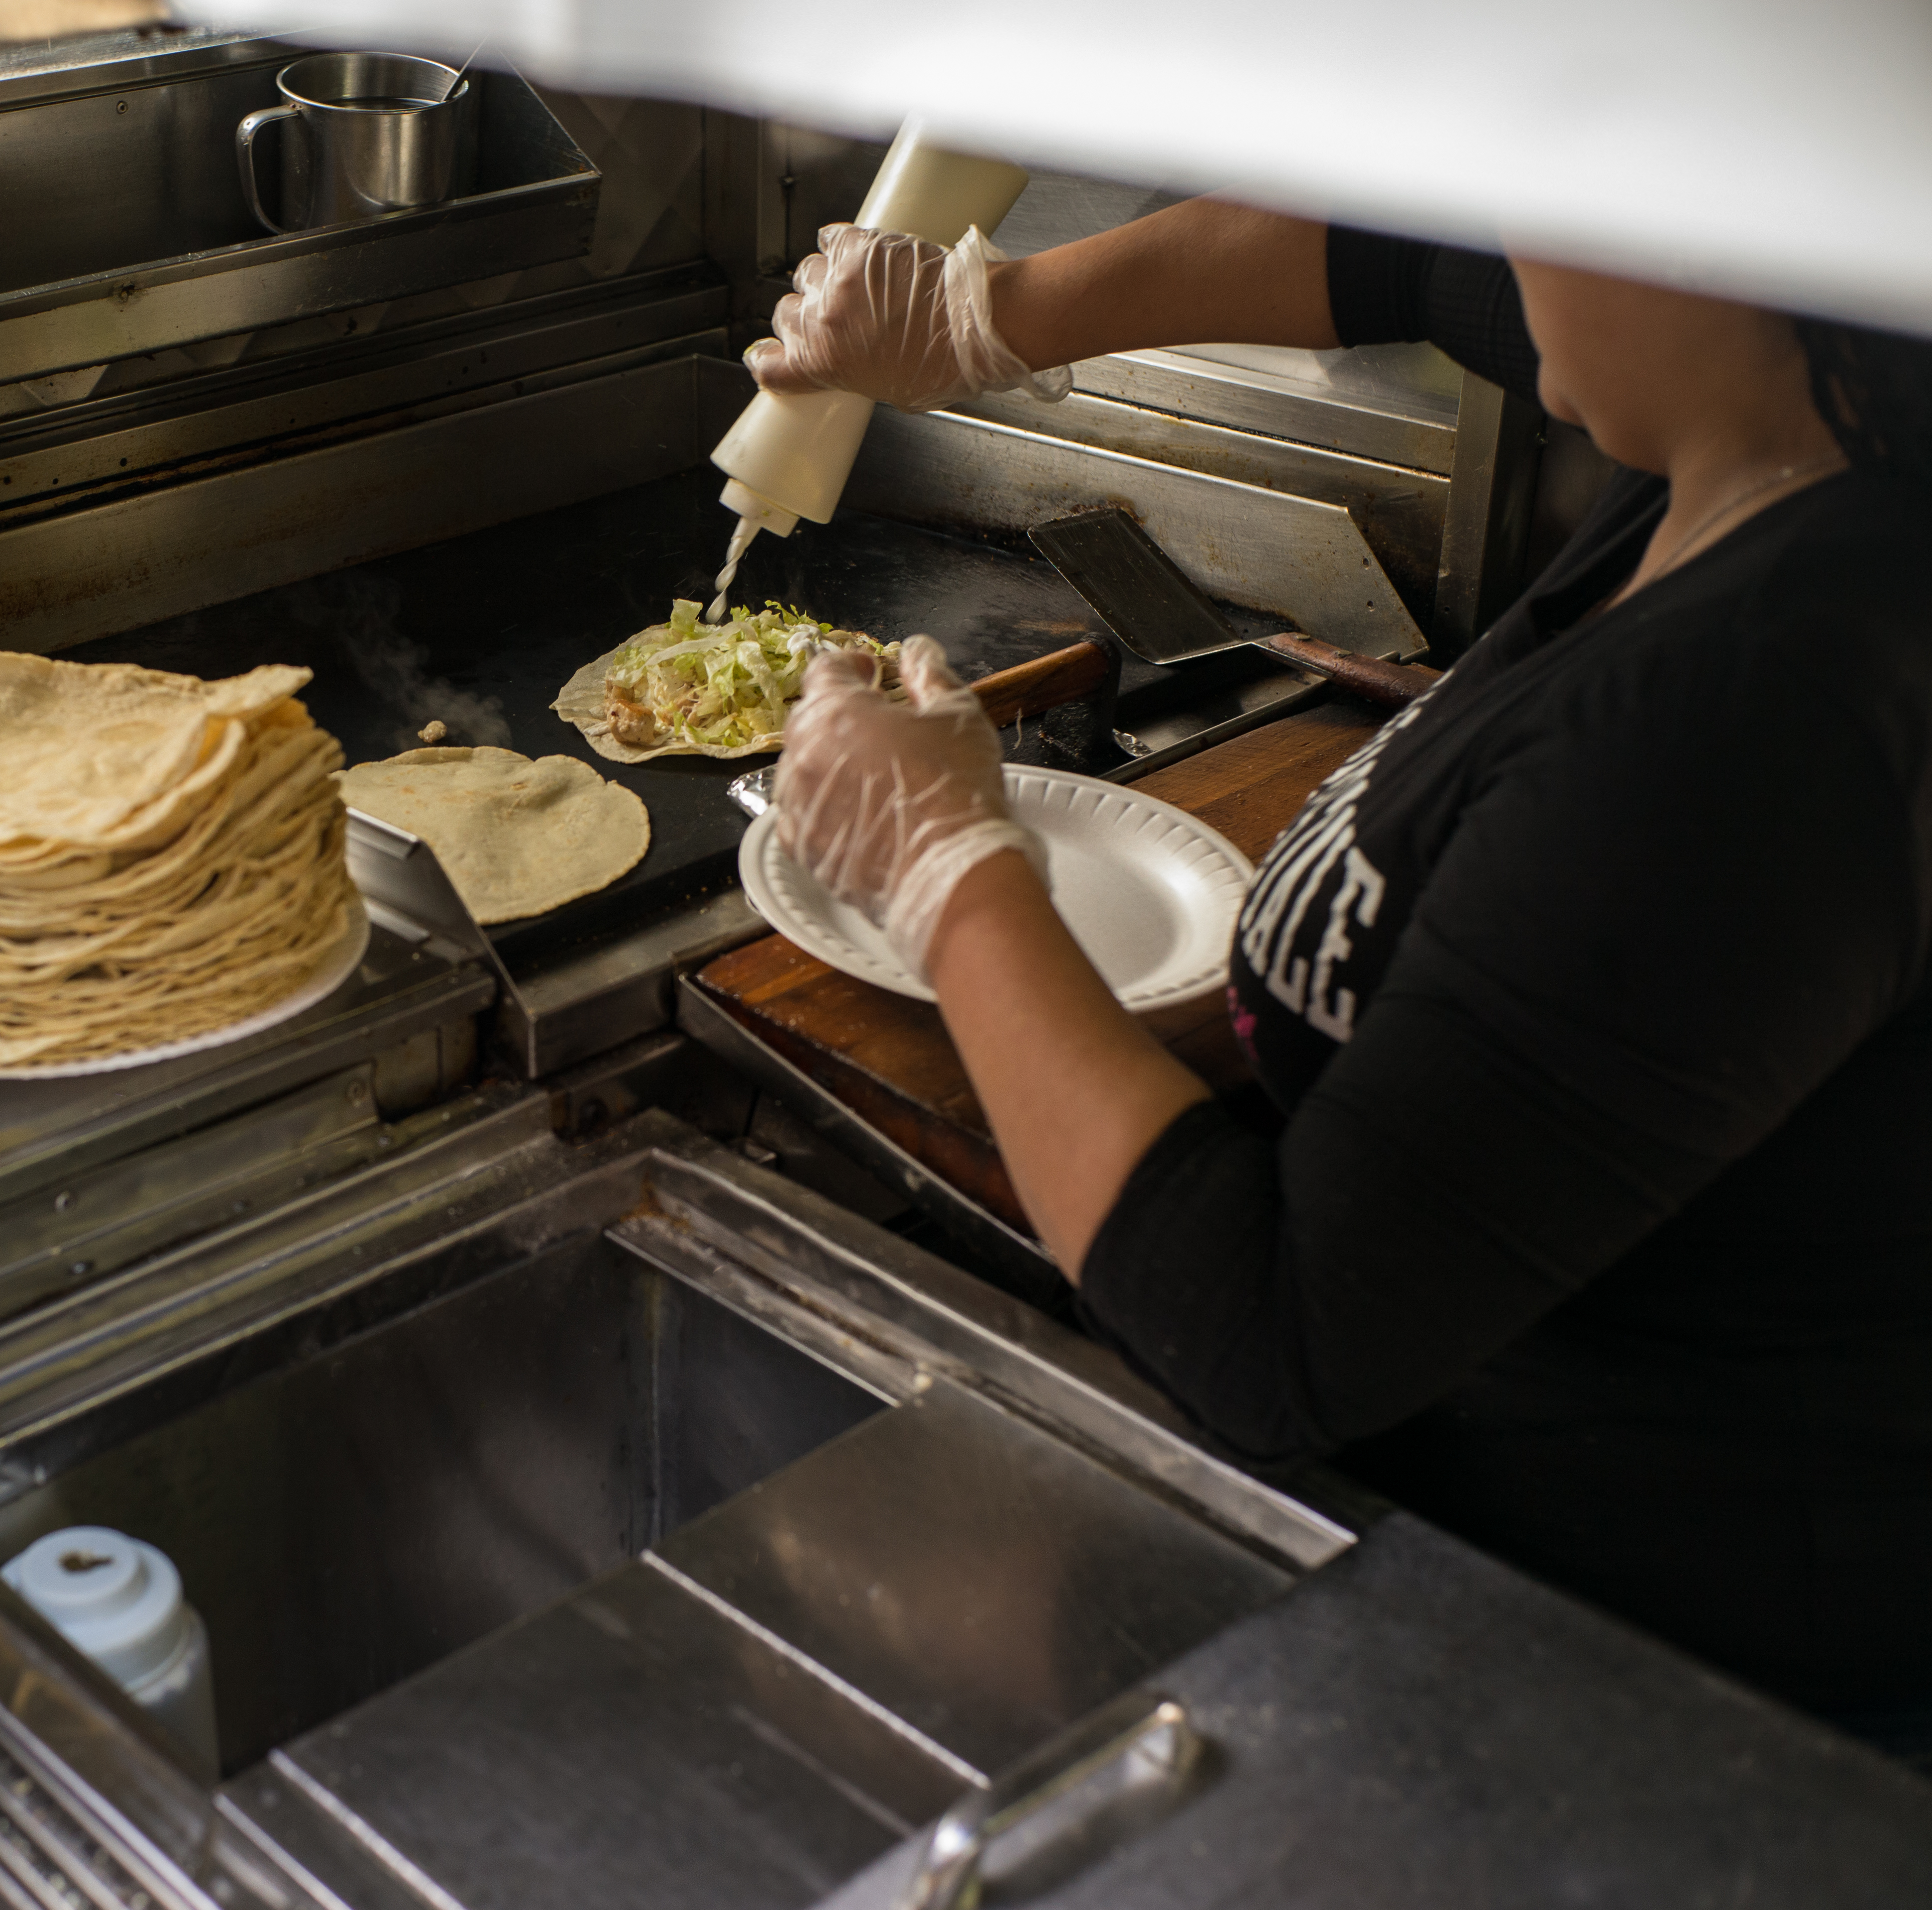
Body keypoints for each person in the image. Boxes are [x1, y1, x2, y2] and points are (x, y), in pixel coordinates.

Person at [754, 199, 1932, 1756]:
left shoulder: (1754, 717)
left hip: (1636, 1700)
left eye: (1536, 176)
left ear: (1708, 211)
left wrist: (943, 868)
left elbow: (1277, 1339)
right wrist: (987, 315)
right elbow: (1390, 261)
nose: (1499, 222)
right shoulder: (1783, 402)